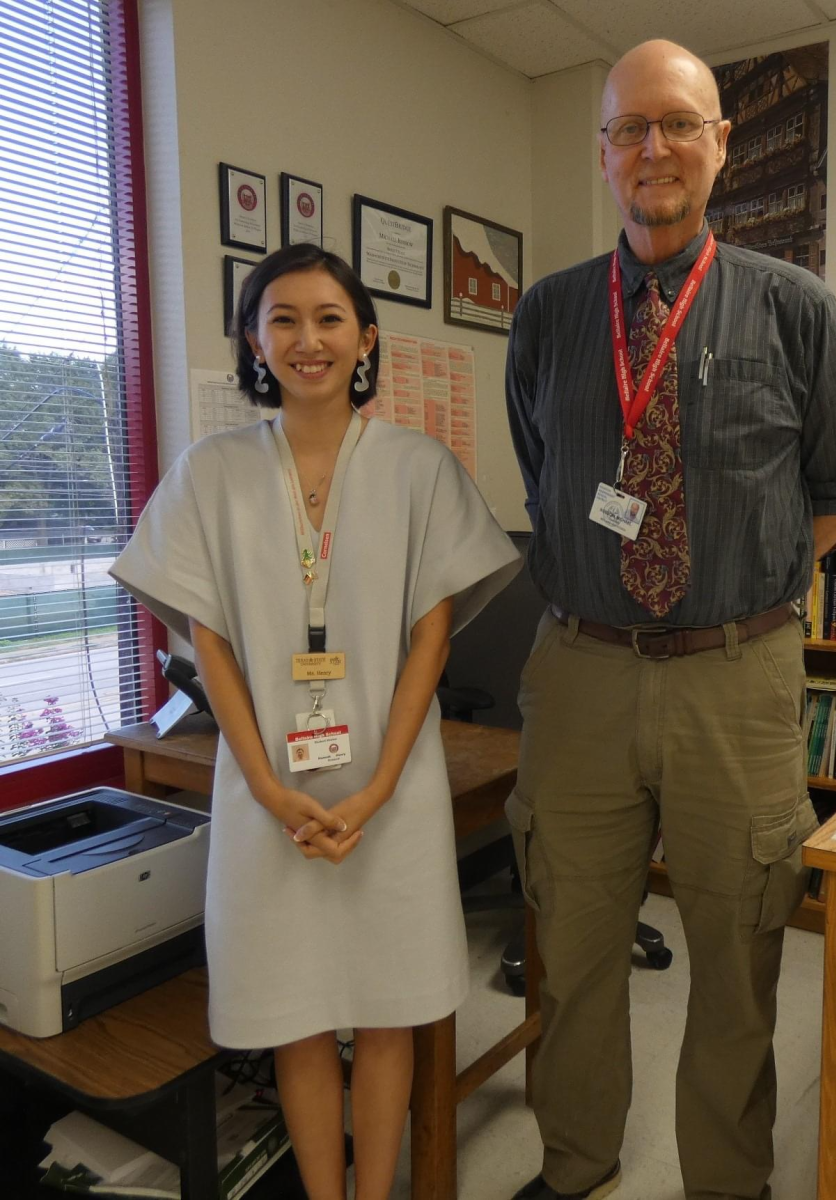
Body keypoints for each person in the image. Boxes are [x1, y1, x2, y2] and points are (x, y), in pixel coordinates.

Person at [505, 39, 836, 1200]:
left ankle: (726, 1180)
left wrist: (732, 591)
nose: (653, 148)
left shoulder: (797, 309)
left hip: (736, 678)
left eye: (678, 123)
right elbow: (544, 476)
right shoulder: (551, 315)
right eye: (630, 129)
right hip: (580, 675)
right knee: (567, 951)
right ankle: (574, 1167)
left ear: (721, 141)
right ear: (603, 152)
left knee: (735, 957)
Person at [111, 243, 519, 1200]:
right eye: (282, 319)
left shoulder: (420, 468)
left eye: (330, 318)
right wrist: (261, 786)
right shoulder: (212, 472)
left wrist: (377, 786)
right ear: (254, 340)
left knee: (385, 1011)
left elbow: (432, 641)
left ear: (365, 338)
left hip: (393, 787)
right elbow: (208, 643)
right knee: (294, 1012)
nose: (308, 339)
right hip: (267, 795)